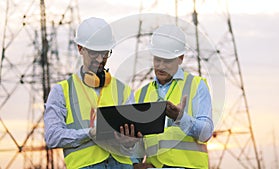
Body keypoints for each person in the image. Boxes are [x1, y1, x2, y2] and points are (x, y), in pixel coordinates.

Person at [44, 17, 141, 169]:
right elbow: (52, 137)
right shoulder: (61, 91)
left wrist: (130, 142)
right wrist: (89, 133)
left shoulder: (123, 90)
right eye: (94, 53)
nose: (100, 59)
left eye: (104, 53)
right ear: (80, 48)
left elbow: (135, 142)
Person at [134, 25, 214, 169]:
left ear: (180, 58)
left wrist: (181, 118)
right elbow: (136, 141)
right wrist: (135, 163)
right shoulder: (142, 94)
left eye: (167, 60)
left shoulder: (196, 86)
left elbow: (206, 133)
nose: (161, 66)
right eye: (157, 60)